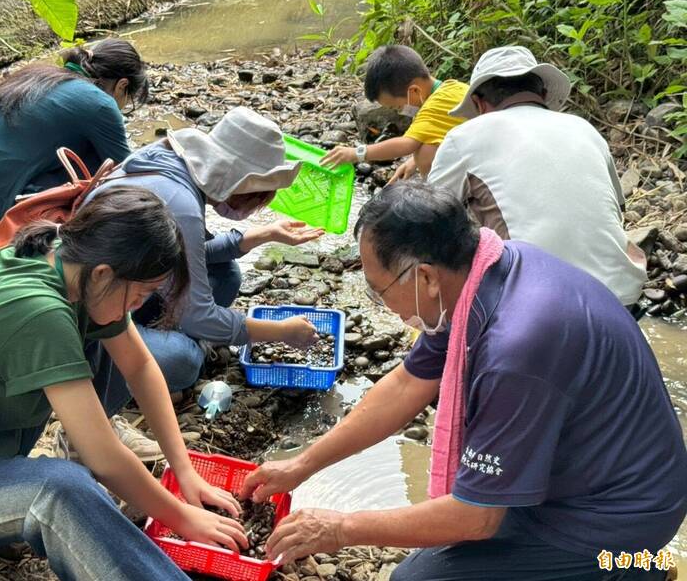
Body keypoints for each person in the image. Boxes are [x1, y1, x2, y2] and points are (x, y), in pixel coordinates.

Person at [241, 183, 687, 580]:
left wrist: (341, 528)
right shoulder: (481, 273)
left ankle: (632, 570)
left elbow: (477, 517)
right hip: (577, 474)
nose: (382, 304)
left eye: (380, 290)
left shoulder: (515, 349)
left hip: (616, 517)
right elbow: (407, 384)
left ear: (425, 277)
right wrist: (301, 465)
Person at [0, 187, 249, 581]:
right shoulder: (41, 313)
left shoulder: (69, 260)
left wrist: (185, 470)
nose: (138, 307)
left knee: (100, 335)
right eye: (140, 295)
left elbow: (139, 365)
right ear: (104, 273)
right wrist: (182, 518)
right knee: (61, 490)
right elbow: (105, 460)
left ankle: (86, 443)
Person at [84, 106, 323, 394]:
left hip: (129, 290)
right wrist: (282, 332)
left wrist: (263, 234)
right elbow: (198, 315)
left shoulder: (167, 160)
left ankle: (174, 336)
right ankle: (134, 362)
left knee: (226, 272)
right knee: (183, 361)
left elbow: (185, 255)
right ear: (242, 185)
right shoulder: (181, 205)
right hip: (96, 321)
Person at [427, 45, 647, 309]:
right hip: (621, 297)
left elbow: (427, 220)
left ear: (478, 103)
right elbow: (618, 210)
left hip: (540, 304)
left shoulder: (463, 137)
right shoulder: (584, 128)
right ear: (542, 94)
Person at [0, 38, 148, 251]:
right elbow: (130, 175)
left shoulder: (38, 76)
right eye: (128, 100)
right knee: (105, 168)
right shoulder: (101, 103)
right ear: (122, 85)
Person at [320, 45, 468, 181]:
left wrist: (356, 153)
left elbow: (406, 144)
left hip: (480, 165)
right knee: (423, 149)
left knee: (425, 152)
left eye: (397, 107)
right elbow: (437, 133)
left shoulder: (435, 106)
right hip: (477, 153)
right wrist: (413, 162)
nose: (401, 112)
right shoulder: (451, 88)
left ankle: (442, 197)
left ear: (414, 91)